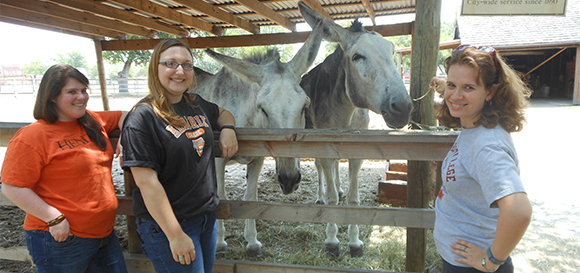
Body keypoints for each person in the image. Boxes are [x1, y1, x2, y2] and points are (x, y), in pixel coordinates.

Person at [120, 39, 238, 273]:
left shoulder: (195, 103)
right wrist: (175, 235)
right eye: (171, 63)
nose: (179, 71)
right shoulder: (143, 117)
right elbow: (147, 183)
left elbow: (224, 113)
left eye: (187, 65)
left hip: (205, 218)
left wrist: (228, 129)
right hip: (170, 224)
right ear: (156, 68)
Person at [1, 64, 128, 273]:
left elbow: (127, 114)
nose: (82, 97)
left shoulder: (92, 121)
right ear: (52, 97)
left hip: (104, 233)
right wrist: (54, 218)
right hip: (62, 237)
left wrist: (126, 134)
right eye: (72, 92)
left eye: (84, 90)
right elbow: (12, 187)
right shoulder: (32, 136)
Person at [430, 45, 533, 273]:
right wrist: (446, 86)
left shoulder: (487, 146)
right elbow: (458, 95)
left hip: (471, 267)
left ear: (490, 92)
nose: (455, 96)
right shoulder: (477, 124)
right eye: (451, 85)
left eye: (468, 87)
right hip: (460, 259)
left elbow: (519, 211)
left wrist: (491, 261)